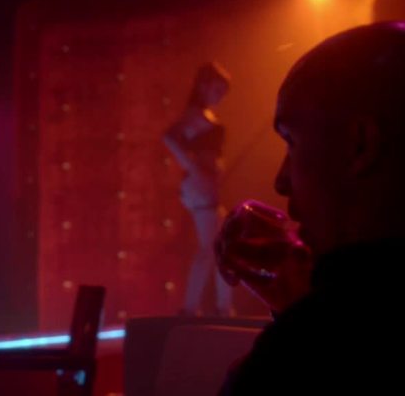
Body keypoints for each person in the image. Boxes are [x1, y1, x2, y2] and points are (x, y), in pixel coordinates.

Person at [219, 22, 405, 395]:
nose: (281, 181)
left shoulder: (309, 351)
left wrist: (305, 329)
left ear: (359, 145)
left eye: (291, 141)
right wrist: (299, 300)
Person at [164, 62, 233, 316]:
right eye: (217, 89)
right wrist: (194, 169)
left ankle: (218, 306)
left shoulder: (204, 115)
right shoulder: (194, 115)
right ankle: (195, 307)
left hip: (205, 186)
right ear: (204, 86)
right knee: (211, 248)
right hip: (200, 187)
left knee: (220, 246)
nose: (220, 96)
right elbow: (169, 137)